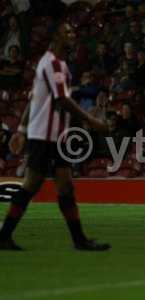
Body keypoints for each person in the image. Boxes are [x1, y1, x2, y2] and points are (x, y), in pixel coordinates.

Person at [0, 23, 111, 251]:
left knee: (65, 186)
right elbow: (61, 99)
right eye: (67, 32)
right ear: (56, 36)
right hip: (45, 136)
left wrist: (21, 129)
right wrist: (93, 121)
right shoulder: (52, 63)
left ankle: (79, 240)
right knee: (32, 184)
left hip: (53, 135)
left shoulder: (52, 63)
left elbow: (34, 99)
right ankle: (4, 236)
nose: (72, 35)